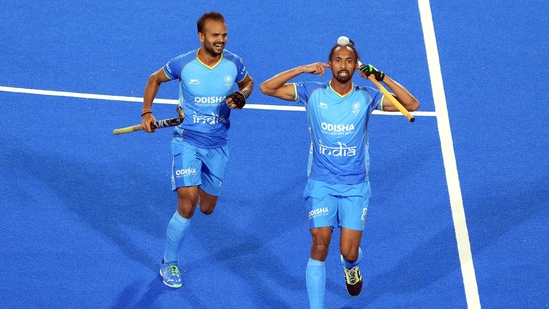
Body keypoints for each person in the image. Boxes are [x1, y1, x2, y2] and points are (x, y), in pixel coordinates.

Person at [259, 41, 419, 308]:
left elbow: (411, 104)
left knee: (348, 250)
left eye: (348, 61)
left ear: (356, 66)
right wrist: (302, 69)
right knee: (320, 244)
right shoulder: (312, 92)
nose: (343, 65)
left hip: (355, 187)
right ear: (330, 64)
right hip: (320, 184)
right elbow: (267, 88)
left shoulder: (368, 96)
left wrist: (381, 77)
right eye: (337, 60)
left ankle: (351, 265)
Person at [140, 11, 254, 288]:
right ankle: (170, 262)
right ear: (201, 37)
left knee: (207, 208)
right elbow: (154, 79)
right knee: (187, 204)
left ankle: (200, 191)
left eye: (224, 35)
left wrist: (242, 95)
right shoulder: (183, 64)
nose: (221, 40)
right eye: (215, 35)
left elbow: (248, 83)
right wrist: (146, 112)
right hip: (186, 141)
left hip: (217, 145)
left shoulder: (234, 63)